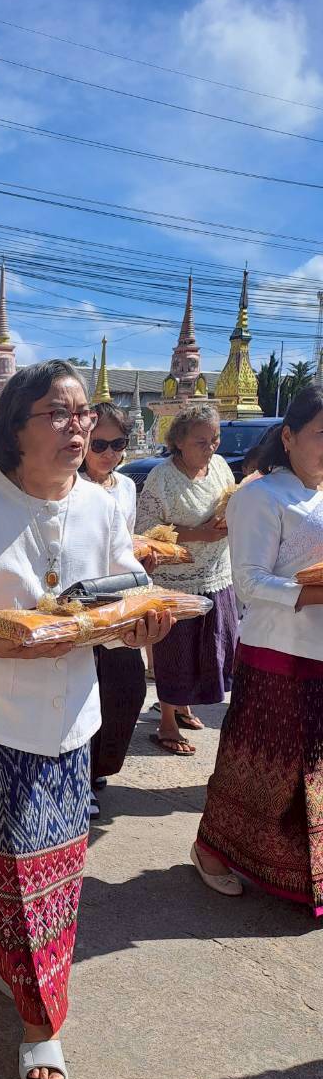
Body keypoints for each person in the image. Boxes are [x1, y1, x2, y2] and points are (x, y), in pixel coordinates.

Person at [0, 360, 172, 1079]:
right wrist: (15, 641)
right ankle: (41, 1021)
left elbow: (123, 592)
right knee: (21, 872)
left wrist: (138, 626)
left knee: (57, 864)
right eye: (59, 413)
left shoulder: (103, 506)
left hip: (72, 719)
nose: (78, 427)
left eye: (83, 414)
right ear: (15, 429)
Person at [193, 385, 323, 909]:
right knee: (258, 766)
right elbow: (248, 582)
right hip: (279, 653)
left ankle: (303, 870)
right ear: (289, 437)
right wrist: (314, 593)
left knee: (314, 770)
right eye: (322, 434)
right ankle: (212, 849)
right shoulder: (260, 496)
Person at [136, 405, 238, 756]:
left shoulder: (220, 466)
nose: (210, 448)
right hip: (176, 581)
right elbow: (147, 531)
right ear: (179, 441)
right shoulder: (161, 478)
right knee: (176, 652)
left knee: (209, 647)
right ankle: (167, 720)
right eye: (201, 442)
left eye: (215, 440)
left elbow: (229, 502)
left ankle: (183, 705)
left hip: (216, 574)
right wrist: (199, 534)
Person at [79, 402, 147, 816]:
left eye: (118, 444)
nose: (109, 454)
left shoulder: (125, 487)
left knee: (126, 688)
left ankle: (100, 765)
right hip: (83, 601)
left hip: (121, 599)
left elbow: (127, 541)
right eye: (99, 445)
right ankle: (81, 777)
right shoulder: (70, 486)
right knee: (86, 690)